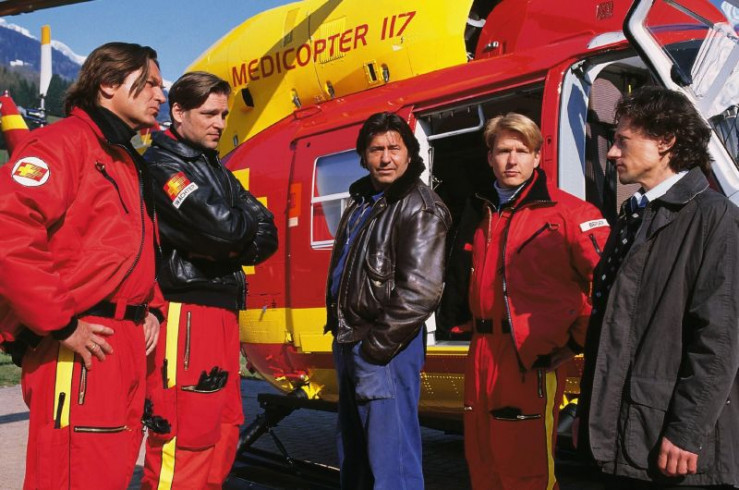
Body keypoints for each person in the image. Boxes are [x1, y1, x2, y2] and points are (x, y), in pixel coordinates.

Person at [0, 42, 166, 488]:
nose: (160, 95)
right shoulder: (61, 144)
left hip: (120, 342)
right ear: (108, 84)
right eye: (149, 83)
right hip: (79, 343)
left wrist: (150, 307)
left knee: (107, 472)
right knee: (72, 475)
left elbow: (126, 249)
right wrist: (61, 324)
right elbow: (8, 230)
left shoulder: (122, 158)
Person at [578, 86, 739, 489]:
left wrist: (687, 430)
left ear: (665, 141)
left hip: (673, 451)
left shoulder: (714, 218)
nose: (612, 153)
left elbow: (719, 339)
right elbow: (608, 332)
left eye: (622, 140)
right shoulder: (633, 216)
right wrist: (589, 413)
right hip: (624, 438)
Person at [455, 113, 609, 490]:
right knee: (482, 462)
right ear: (489, 157)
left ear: (538, 157)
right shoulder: (480, 212)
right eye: (503, 151)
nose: (512, 160)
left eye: (522, 151)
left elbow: (606, 285)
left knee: (527, 469)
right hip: (481, 351)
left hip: (528, 356)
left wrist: (574, 342)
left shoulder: (570, 213)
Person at [140, 71, 278, 489]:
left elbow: (267, 231)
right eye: (209, 114)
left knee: (224, 429)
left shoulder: (213, 166)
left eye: (223, 114)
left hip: (221, 312)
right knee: (184, 435)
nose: (220, 123)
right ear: (178, 112)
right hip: (185, 312)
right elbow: (226, 231)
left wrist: (230, 235)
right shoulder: (163, 165)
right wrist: (232, 234)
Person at [325, 111, 451, 489]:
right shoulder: (363, 202)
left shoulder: (420, 207)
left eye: (394, 149)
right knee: (356, 458)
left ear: (410, 154)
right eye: (375, 149)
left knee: (391, 461)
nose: (385, 158)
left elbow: (420, 291)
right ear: (363, 157)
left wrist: (375, 349)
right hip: (352, 342)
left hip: (387, 348)